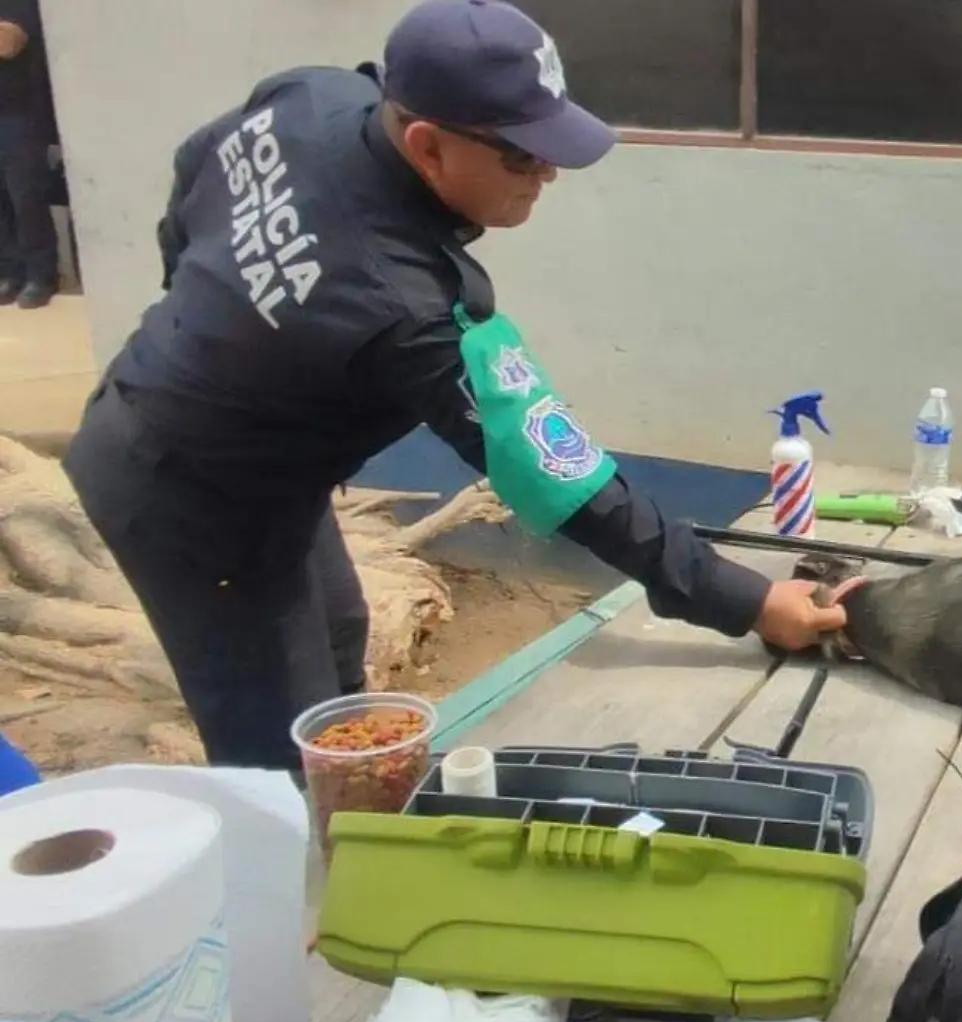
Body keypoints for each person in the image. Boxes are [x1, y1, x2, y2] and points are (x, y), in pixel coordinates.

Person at [60, 0, 856, 773]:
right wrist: (747, 601)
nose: (547, 171)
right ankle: (306, 878)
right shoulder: (402, 305)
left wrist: (202, 305)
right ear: (428, 144)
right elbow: (559, 476)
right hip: (187, 500)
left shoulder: (312, 94)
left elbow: (196, 167)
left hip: (250, 459)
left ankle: (342, 821)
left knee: (340, 631)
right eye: (521, 154)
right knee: (284, 749)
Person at [0, 0, 58, 309]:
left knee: (26, 196)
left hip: (17, 112)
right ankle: (10, 272)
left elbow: (9, 42)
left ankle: (42, 274)